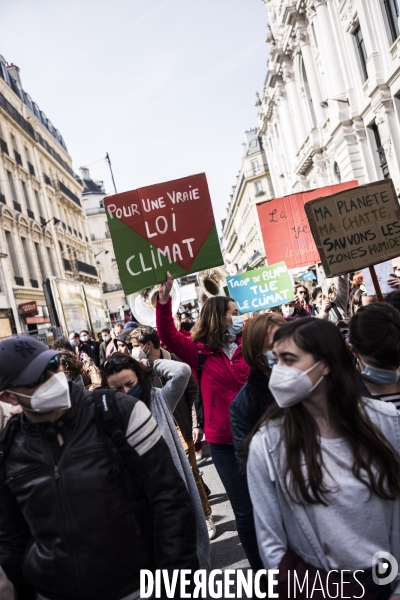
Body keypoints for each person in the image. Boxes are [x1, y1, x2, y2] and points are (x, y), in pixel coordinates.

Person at [0, 336, 196, 600]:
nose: (52, 377)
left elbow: (170, 501)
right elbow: (12, 541)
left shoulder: (119, 412)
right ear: (9, 396)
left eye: (53, 364)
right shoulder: (10, 448)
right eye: (36, 377)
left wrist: (172, 585)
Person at [247, 318, 400, 600]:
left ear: (326, 364)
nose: (279, 371)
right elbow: (271, 543)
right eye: (276, 360)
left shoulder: (387, 422)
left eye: (290, 359)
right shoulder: (268, 444)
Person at [156, 272, 263, 572]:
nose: (240, 317)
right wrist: (163, 302)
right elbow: (167, 336)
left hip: (259, 436)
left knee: (271, 506)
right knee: (244, 512)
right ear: (220, 318)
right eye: (235, 313)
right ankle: (262, 574)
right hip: (224, 444)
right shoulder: (199, 352)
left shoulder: (251, 343)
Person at [102, 353, 210, 565]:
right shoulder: (107, 415)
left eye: (130, 383)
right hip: (139, 505)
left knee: (186, 564)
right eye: (117, 389)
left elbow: (182, 371)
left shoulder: (159, 398)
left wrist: (150, 364)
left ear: (139, 377)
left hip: (173, 498)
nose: (125, 391)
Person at [128, 326, 216, 539]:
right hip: (159, 428)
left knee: (192, 473)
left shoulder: (172, 361)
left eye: (136, 347)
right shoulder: (136, 368)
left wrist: (196, 424)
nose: (133, 351)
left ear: (148, 346)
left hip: (182, 425)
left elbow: (193, 392)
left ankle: (205, 517)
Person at [230, 312, 286, 468]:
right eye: (271, 347)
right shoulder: (243, 403)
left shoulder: (309, 379)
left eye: (284, 343)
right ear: (256, 353)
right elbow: (247, 460)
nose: (281, 351)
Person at [349, 303, 400, 408]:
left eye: (397, 362)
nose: (392, 370)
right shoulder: (345, 396)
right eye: (380, 364)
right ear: (354, 351)